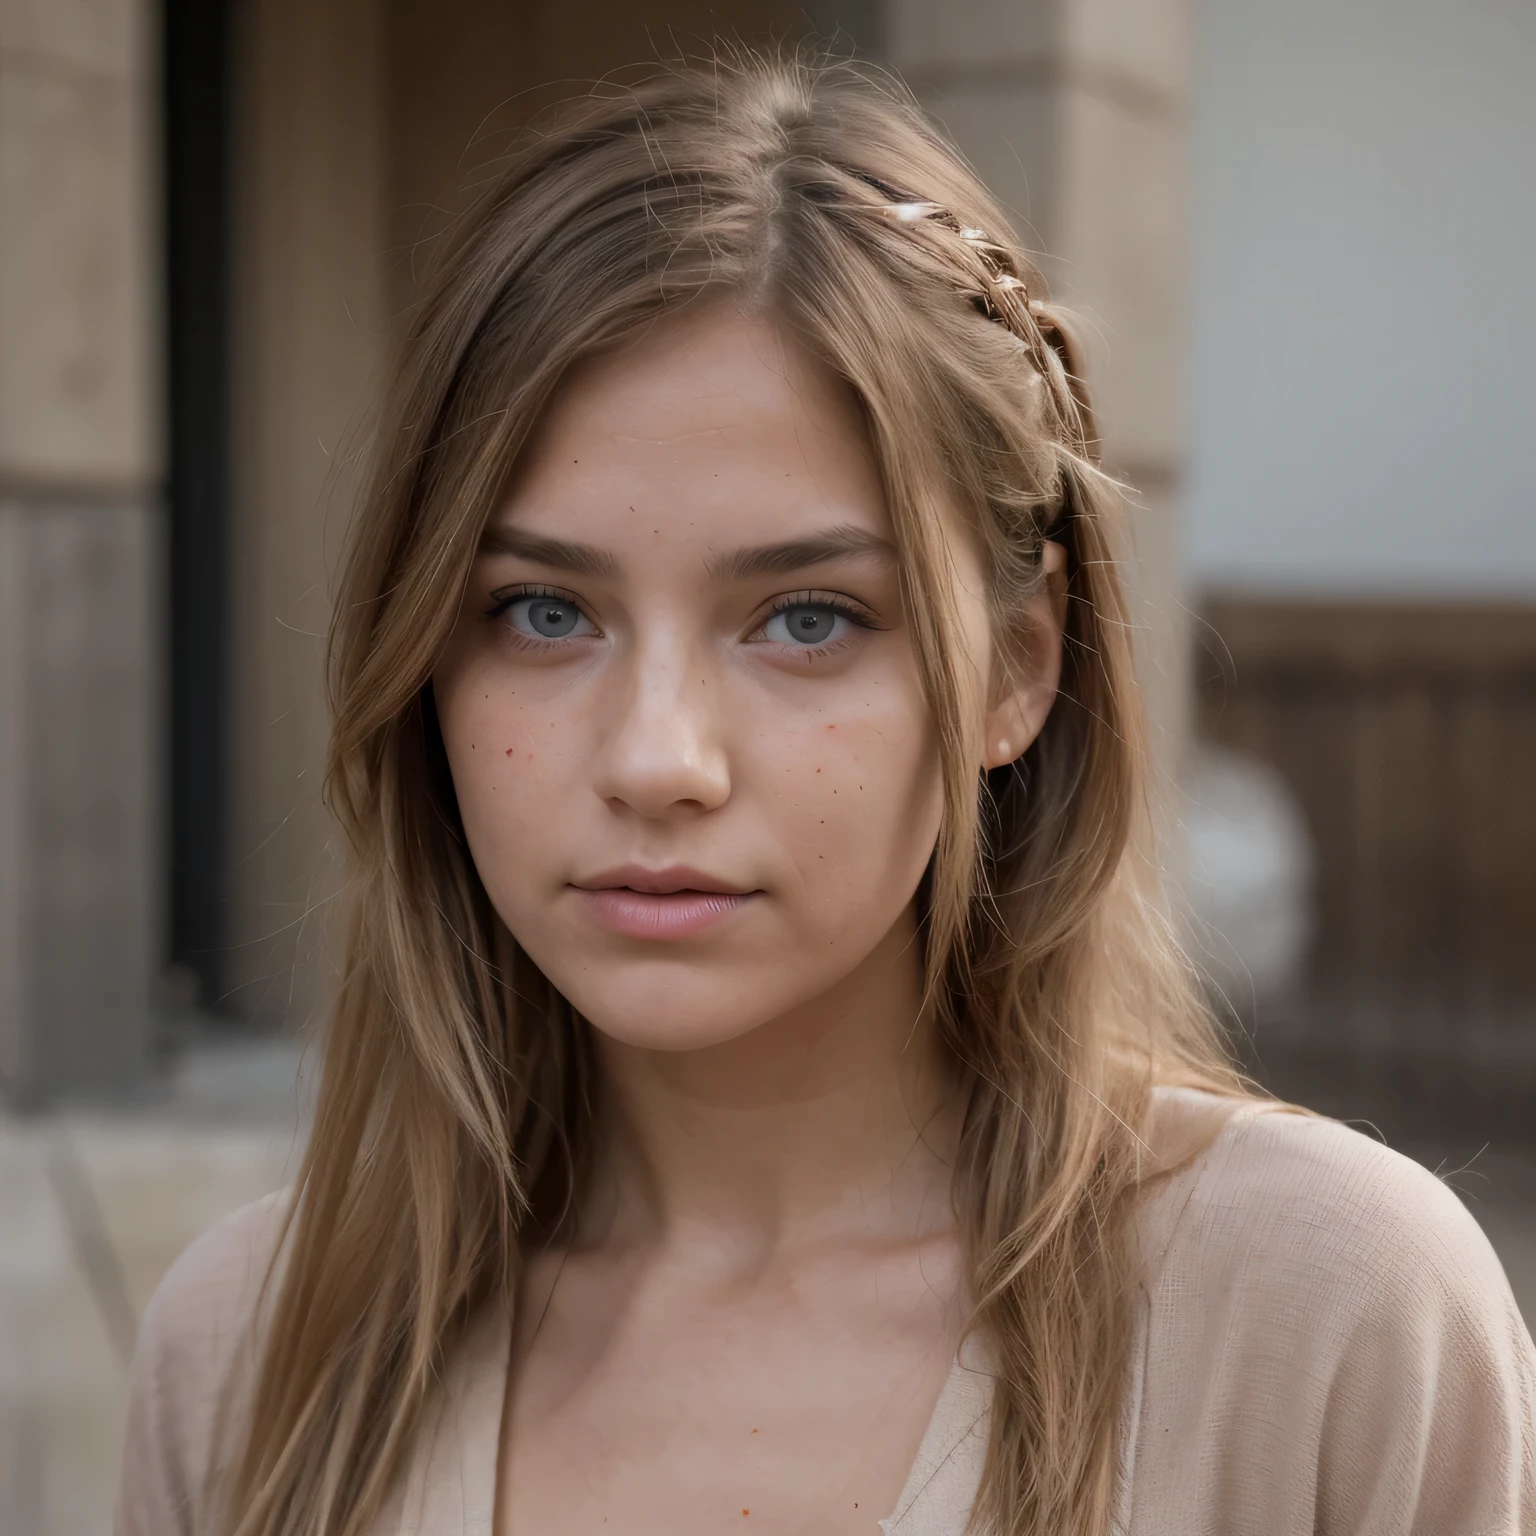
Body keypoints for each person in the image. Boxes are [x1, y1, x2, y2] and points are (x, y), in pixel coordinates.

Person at [116, 49, 1536, 1536]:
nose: (658, 759)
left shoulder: (1318, 1324)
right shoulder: (248, 1360)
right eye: (544, 611)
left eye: (808, 616)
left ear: (1018, 667)